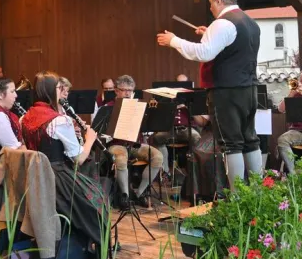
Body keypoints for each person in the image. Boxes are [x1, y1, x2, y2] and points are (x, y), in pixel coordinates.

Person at [157, 0, 261, 191]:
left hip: (226, 91)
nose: (211, 9)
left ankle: (237, 198)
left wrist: (174, 41)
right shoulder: (250, 23)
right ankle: (259, 191)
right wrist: (210, 34)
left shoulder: (222, 24)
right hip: (248, 89)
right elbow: (231, 47)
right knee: (250, 140)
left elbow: (204, 53)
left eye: (211, 4)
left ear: (218, 1)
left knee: (231, 144)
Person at [20, 71, 108, 247]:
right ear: (51, 91)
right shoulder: (60, 121)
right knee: (98, 198)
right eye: (60, 88)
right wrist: (89, 139)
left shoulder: (24, 117)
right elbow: (79, 159)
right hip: (57, 179)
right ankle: (97, 248)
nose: (62, 92)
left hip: (33, 178)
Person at [92, 75, 163, 209]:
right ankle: (125, 196)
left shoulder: (138, 107)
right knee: (120, 159)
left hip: (135, 144)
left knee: (158, 157)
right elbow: (98, 131)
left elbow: (146, 129)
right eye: (123, 90)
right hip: (116, 144)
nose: (127, 93)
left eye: (130, 90)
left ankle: (139, 193)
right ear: (116, 91)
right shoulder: (108, 108)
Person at [152, 73, 201, 180]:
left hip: (186, 129)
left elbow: (199, 117)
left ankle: (193, 169)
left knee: (197, 138)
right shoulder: (167, 98)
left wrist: (187, 106)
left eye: (184, 83)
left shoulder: (192, 98)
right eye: (179, 83)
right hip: (170, 130)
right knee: (156, 138)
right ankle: (164, 171)